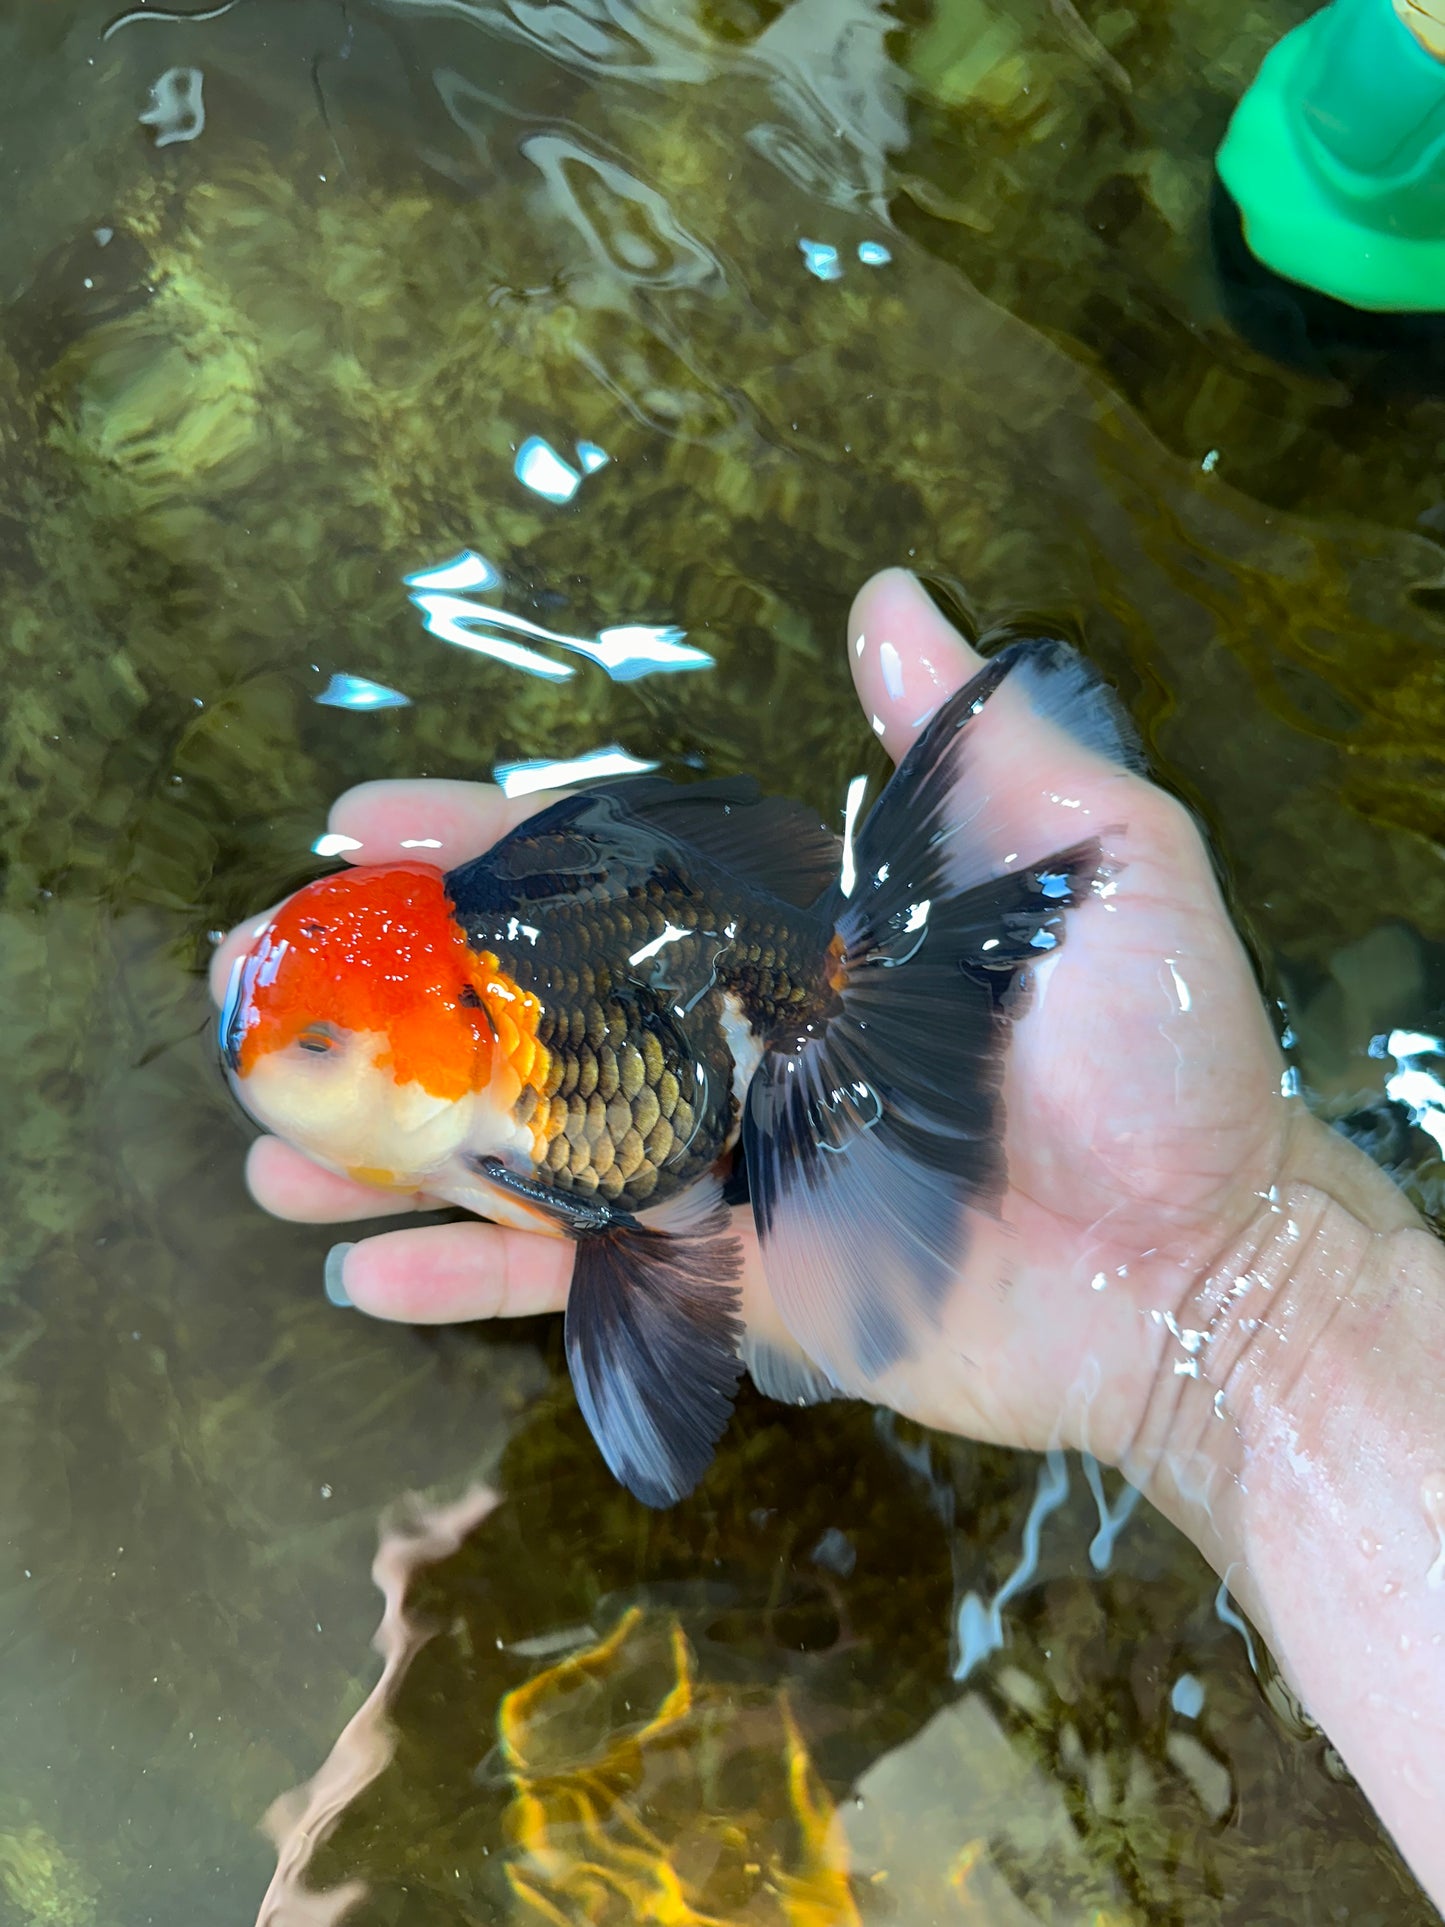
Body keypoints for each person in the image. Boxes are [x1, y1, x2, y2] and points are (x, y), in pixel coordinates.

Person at [212, 569, 1445, 1911]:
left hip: (735, 1035)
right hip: (724, 1059)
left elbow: (627, 1221)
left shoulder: (538, 1062)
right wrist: (1250, 1308)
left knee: (632, 1210)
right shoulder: (476, 1058)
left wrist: (1232, 1295)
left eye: (321, 1044)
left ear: (445, 1033)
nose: (265, 1055)